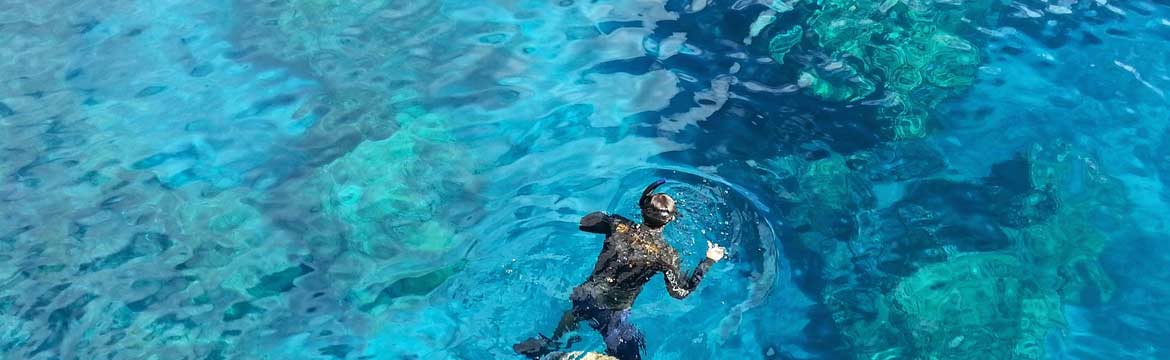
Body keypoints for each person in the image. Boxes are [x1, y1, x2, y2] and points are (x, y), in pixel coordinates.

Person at [514, 179, 727, 360]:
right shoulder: (666, 254)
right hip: (612, 313)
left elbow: (585, 223)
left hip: (583, 295)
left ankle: (550, 346)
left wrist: (610, 218)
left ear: (642, 210)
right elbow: (679, 293)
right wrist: (708, 261)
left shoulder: (617, 224)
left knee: (569, 324)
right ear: (670, 219)